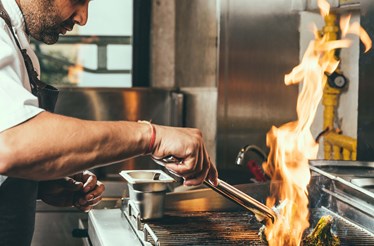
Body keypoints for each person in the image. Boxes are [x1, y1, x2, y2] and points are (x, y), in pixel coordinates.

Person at [0, 0, 219, 245]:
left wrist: (39, 182)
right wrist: (151, 137)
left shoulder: (16, 40)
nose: (83, 18)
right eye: (78, 1)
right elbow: (11, 144)